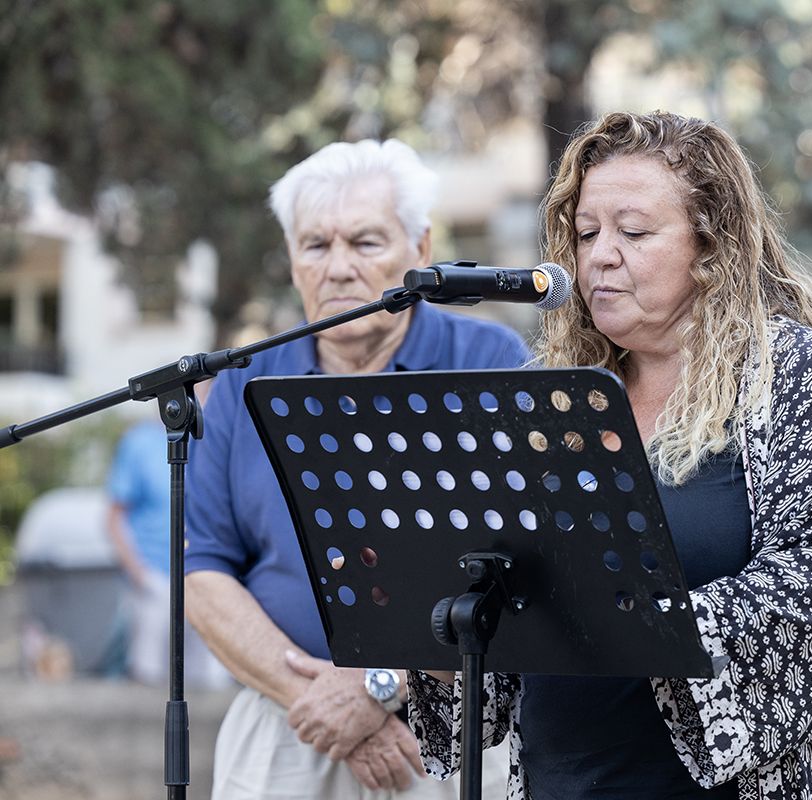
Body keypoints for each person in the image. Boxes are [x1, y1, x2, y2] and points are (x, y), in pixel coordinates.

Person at [407, 111, 812, 799]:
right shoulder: (555, 403)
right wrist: (430, 621)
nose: (599, 256)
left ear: (712, 245)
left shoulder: (806, 381)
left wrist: (644, 620)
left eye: (634, 232)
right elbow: (511, 642)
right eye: (586, 234)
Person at [183, 139, 529, 799]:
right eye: (316, 245)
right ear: (292, 260)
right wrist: (319, 702)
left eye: (366, 243)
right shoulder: (245, 380)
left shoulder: (490, 363)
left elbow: (527, 570)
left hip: (454, 732)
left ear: (420, 250)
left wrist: (380, 684)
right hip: (289, 724)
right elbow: (203, 572)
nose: (339, 268)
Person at [106, 414, 230, 688]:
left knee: (210, 679)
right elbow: (114, 517)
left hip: (204, 575)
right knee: (149, 677)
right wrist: (140, 575)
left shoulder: (215, 437)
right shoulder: (139, 442)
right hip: (156, 577)